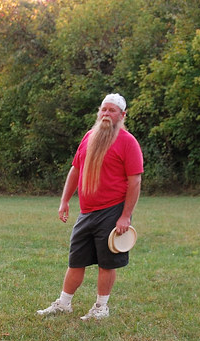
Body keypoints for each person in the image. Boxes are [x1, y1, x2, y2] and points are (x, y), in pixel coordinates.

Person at [38, 93, 143, 320]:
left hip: (113, 210)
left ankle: (100, 307)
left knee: (107, 262)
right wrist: (65, 200)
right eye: (103, 109)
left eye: (112, 110)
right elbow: (76, 169)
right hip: (86, 212)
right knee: (76, 259)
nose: (106, 113)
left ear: (122, 115)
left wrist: (126, 216)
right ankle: (64, 303)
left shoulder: (128, 142)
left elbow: (135, 181)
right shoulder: (89, 137)